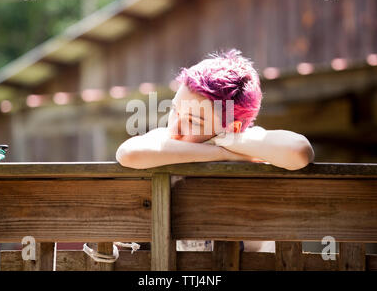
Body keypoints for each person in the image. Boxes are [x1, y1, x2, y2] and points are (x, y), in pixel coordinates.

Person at [116, 49, 314, 252]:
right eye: (175, 110)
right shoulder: (167, 138)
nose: (174, 128)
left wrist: (228, 140)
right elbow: (127, 153)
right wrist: (222, 153)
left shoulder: (252, 141)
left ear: (233, 129)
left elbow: (299, 151)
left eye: (193, 121)